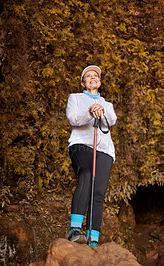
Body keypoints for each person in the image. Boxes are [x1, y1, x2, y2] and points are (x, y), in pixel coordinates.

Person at [65, 65, 117, 247]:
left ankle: (93, 238)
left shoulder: (107, 104)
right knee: (86, 174)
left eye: (96, 76)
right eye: (88, 76)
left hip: (105, 150)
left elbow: (112, 121)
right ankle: (75, 230)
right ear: (83, 82)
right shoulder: (75, 98)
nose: (93, 77)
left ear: (99, 81)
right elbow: (73, 119)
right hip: (81, 144)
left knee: (98, 192)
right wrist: (89, 111)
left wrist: (100, 109)